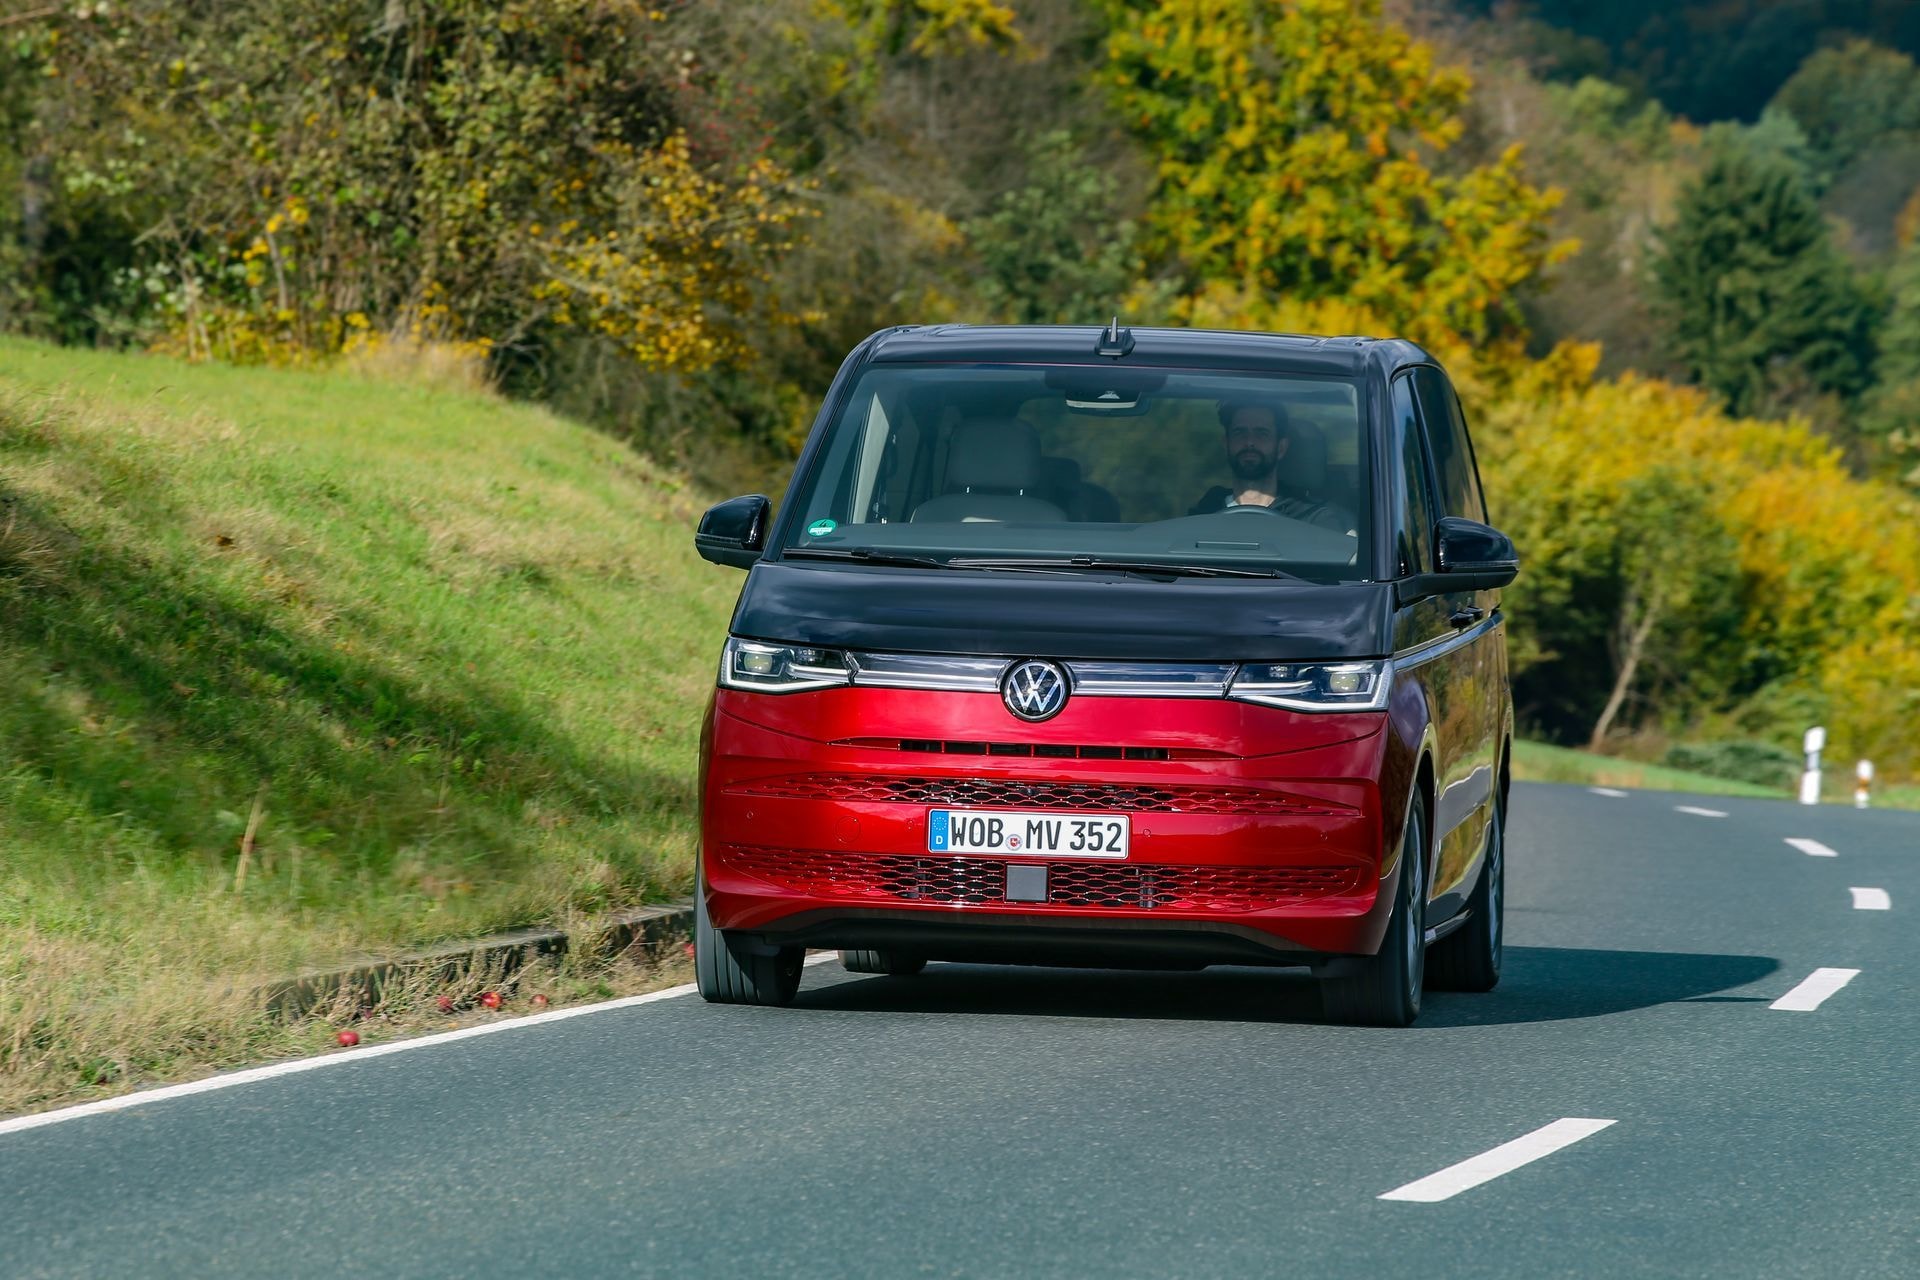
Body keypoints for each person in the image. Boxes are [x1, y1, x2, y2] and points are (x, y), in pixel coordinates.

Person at [1188, 400, 1354, 533]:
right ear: (1226, 444)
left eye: (1262, 433)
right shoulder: (1204, 514)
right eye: (1240, 432)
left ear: (1281, 448)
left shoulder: (1316, 521)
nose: (1249, 442)